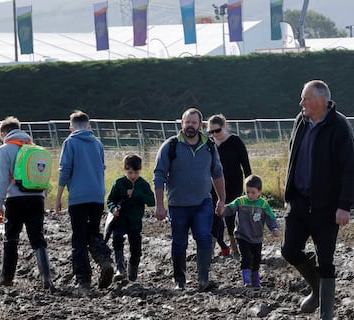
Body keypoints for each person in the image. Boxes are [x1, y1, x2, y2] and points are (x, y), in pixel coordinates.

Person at [281, 80, 354, 320]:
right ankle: (316, 289)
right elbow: (294, 156)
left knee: (326, 259)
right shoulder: (300, 121)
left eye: (305, 99)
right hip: (299, 201)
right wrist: (289, 194)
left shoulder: (339, 126)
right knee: (289, 250)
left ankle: (326, 316)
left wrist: (344, 205)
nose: (301, 103)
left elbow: (350, 169)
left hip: (326, 206)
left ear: (322, 101)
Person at [153, 108, 226, 292]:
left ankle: (203, 279)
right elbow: (159, 175)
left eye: (194, 123)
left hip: (202, 203)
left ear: (200, 125)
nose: (190, 126)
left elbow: (217, 173)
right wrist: (160, 205)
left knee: (204, 238)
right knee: (179, 242)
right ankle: (179, 281)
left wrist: (222, 199)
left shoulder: (209, 146)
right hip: (178, 205)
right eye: (187, 122)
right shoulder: (170, 146)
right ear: (182, 124)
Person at [0, 116, 53, 290]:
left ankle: (6, 277)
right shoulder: (34, 149)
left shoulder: (5, 149)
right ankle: (47, 278)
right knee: (37, 237)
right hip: (37, 198)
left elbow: (2, 179)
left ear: (4, 133)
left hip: (15, 199)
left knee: (11, 238)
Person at [55, 110, 114, 291]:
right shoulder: (97, 143)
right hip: (96, 195)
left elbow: (65, 170)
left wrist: (58, 197)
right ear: (88, 126)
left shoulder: (70, 142)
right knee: (93, 233)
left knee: (79, 237)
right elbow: (102, 167)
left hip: (79, 197)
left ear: (71, 127)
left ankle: (83, 279)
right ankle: (105, 260)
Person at [221, 174, 281, 287]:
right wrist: (222, 210)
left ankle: (256, 280)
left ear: (260, 192)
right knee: (246, 257)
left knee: (256, 259)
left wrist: (274, 229)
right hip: (242, 235)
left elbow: (271, 217)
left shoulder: (263, 204)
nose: (249, 195)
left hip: (257, 237)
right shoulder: (241, 201)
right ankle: (247, 281)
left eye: (253, 192)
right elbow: (230, 209)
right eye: (247, 192)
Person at [207, 114, 252, 258]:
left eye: (217, 130)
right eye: (211, 132)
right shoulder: (209, 144)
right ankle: (211, 250)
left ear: (224, 127)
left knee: (231, 217)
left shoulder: (235, 142)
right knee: (214, 217)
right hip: (213, 186)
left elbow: (246, 165)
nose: (214, 134)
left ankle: (236, 249)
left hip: (234, 185)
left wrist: (249, 188)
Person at [106, 154, 155, 282]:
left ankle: (132, 274)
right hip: (120, 219)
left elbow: (151, 201)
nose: (133, 176)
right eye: (130, 172)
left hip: (135, 221)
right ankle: (120, 269)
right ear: (124, 170)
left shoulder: (143, 184)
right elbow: (110, 199)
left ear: (140, 170)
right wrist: (113, 208)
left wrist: (136, 194)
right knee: (117, 239)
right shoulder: (119, 183)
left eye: (136, 172)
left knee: (136, 248)